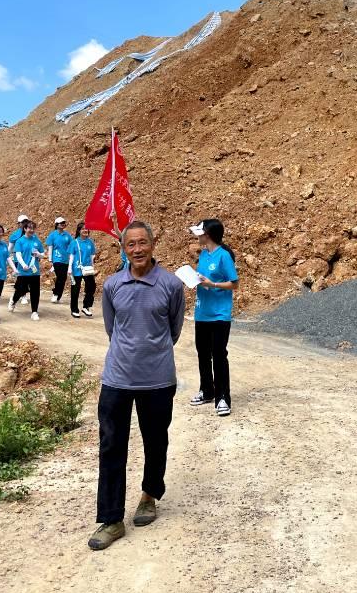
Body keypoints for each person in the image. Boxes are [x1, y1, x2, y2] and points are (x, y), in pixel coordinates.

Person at [89, 220, 185, 551]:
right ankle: (111, 518)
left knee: (156, 441)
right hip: (117, 378)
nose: (138, 250)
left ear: (153, 244)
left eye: (143, 243)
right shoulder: (113, 285)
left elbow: (174, 329)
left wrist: (150, 351)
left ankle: (149, 495)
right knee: (111, 445)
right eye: (131, 245)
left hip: (157, 379)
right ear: (124, 248)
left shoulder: (171, 285)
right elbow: (111, 328)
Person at [188, 219, 239, 417]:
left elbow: (234, 283)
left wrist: (213, 285)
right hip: (202, 313)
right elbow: (204, 278)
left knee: (218, 355)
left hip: (219, 314)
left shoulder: (224, 256)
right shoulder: (203, 254)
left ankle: (223, 398)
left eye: (200, 233)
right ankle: (206, 391)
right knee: (202, 353)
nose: (197, 236)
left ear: (208, 234)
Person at [9, 220, 45, 321]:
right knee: (21, 290)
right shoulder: (20, 241)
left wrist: (38, 254)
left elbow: (43, 254)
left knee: (35, 292)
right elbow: (18, 255)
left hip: (35, 271)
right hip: (23, 271)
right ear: (25, 229)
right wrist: (24, 265)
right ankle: (13, 301)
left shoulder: (36, 241)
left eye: (33, 228)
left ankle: (34, 312)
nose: (31, 230)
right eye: (29, 228)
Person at [69, 221, 98, 319]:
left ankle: (86, 306)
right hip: (76, 269)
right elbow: (71, 256)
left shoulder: (90, 242)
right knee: (75, 289)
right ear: (79, 231)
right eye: (83, 229)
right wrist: (69, 269)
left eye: (87, 229)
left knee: (91, 287)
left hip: (88, 269)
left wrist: (92, 266)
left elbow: (91, 256)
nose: (85, 230)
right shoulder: (74, 242)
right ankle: (74, 309)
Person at [45, 217, 74, 304]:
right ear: (57, 225)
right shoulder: (52, 235)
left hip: (65, 260)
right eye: (61, 223)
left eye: (64, 222)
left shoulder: (67, 235)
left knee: (63, 278)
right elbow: (50, 247)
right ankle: (55, 293)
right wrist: (50, 259)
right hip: (56, 259)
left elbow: (71, 246)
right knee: (60, 276)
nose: (63, 224)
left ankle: (58, 295)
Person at [9, 214, 31, 305]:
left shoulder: (31, 233)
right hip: (18, 260)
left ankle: (19, 294)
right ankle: (23, 295)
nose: (25, 223)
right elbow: (9, 248)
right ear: (19, 224)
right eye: (23, 222)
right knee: (22, 278)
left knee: (26, 278)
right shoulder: (14, 235)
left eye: (26, 221)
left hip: (29, 260)